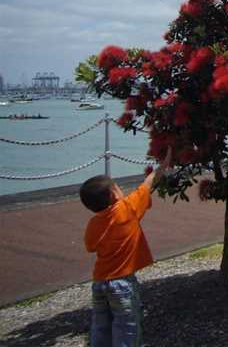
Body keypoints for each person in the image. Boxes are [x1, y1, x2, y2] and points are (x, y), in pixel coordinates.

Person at [79, 147, 172, 347]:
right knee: (127, 329)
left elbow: (90, 247)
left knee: (101, 328)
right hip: (122, 284)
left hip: (99, 282)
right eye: (118, 187)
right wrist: (164, 163)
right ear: (114, 195)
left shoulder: (93, 223)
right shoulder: (127, 208)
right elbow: (149, 183)